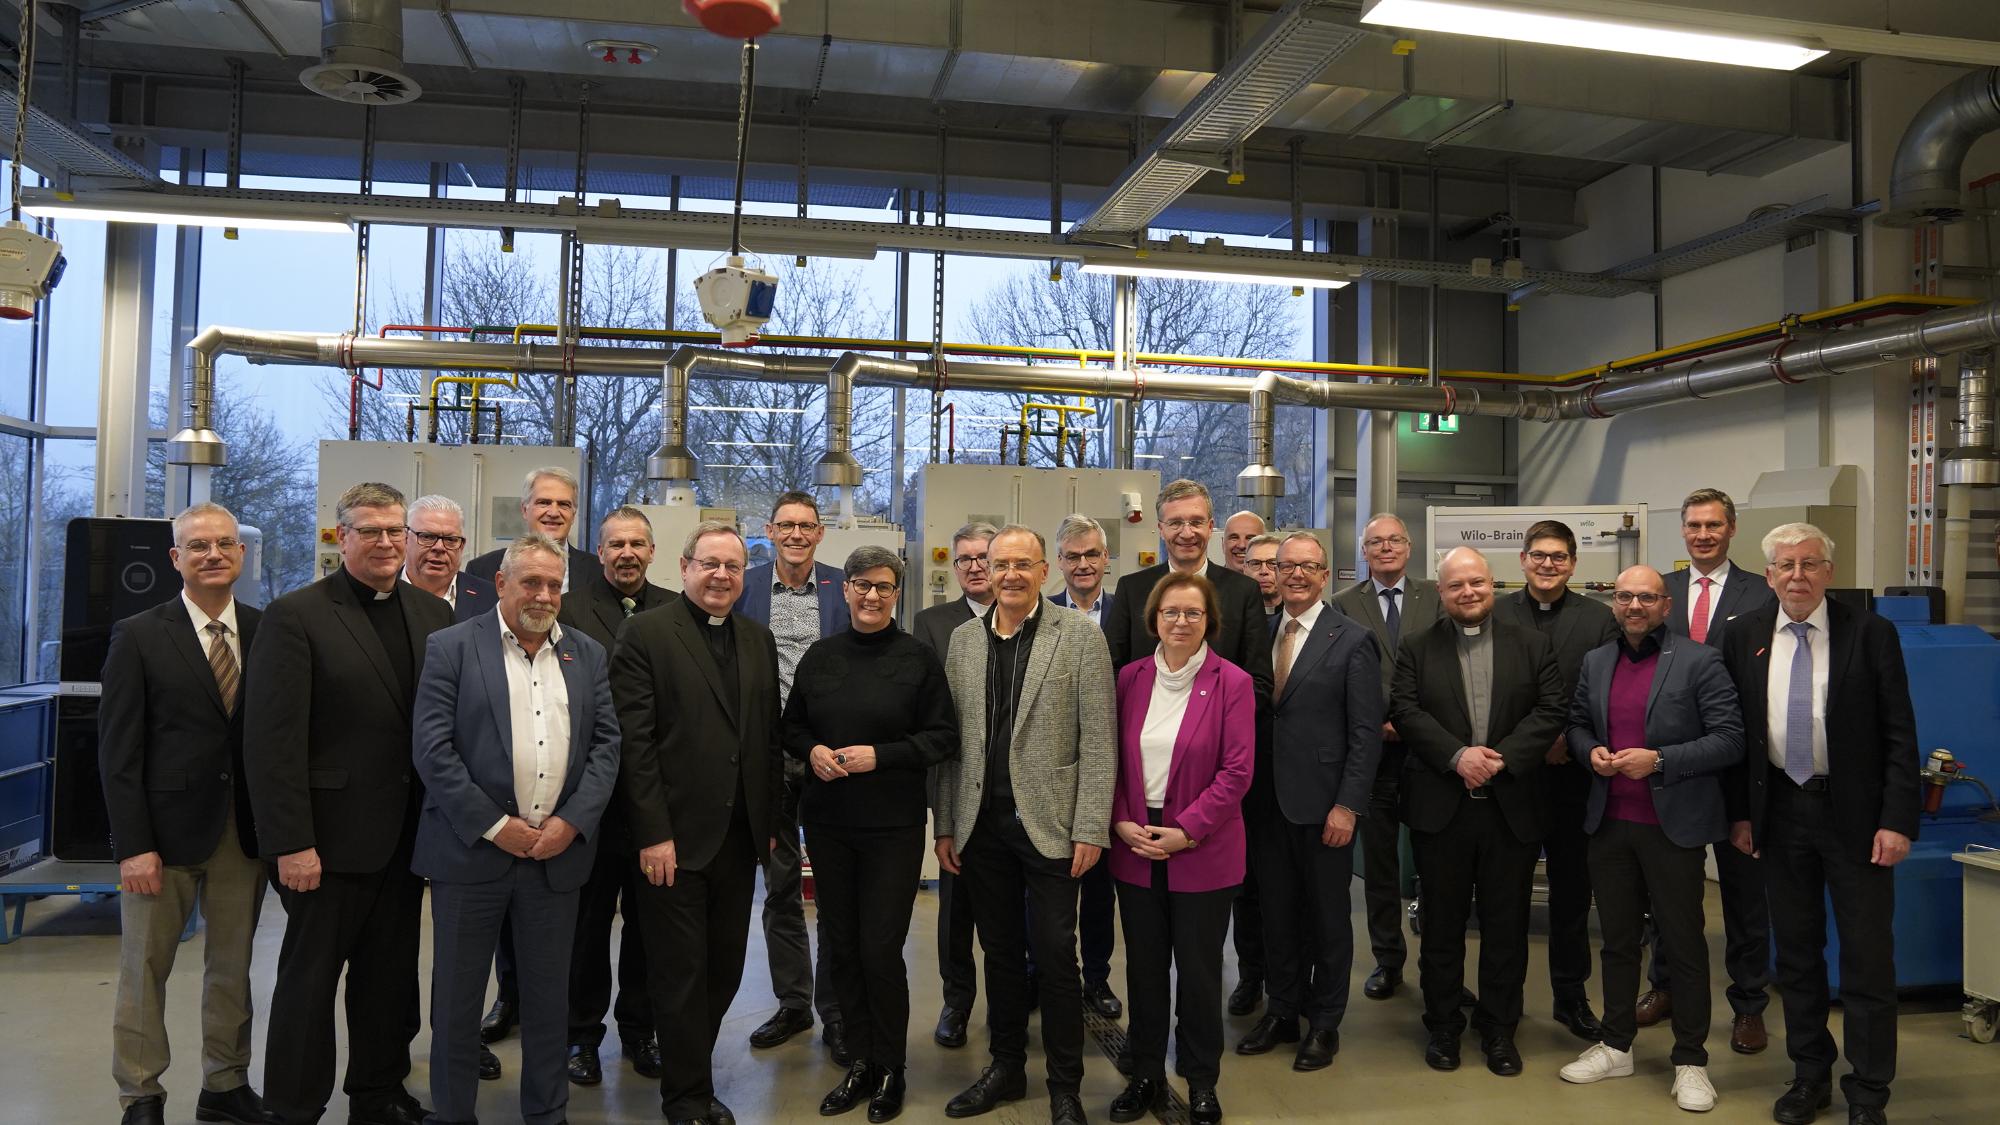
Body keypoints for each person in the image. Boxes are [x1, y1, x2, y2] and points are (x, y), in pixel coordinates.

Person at [245, 482, 455, 1125]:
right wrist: (290, 842)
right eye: (371, 531)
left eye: (396, 530)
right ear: (342, 537)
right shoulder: (297, 615)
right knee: (309, 984)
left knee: (390, 980)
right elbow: (271, 742)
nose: (387, 542)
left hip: (407, 838)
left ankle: (379, 1092)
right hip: (326, 844)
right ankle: (294, 1104)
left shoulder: (433, 616)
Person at [411, 533, 623, 1125]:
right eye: (531, 582)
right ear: (501, 584)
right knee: (456, 1003)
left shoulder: (587, 654)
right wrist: (494, 825)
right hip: (470, 855)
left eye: (555, 585)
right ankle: (454, 1114)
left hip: (554, 860)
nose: (545, 595)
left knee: (550, 1001)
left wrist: (572, 823)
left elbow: (607, 747)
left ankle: (547, 1113)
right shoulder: (451, 647)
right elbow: (432, 750)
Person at [1720, 524, 1918, 1125]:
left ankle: (1868, 1092)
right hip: (1780, 814)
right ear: (1770, 574)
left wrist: (1896, 820)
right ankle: (1810, 1076)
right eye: (1785, 565)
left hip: (1856, 819)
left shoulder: (1872, 634)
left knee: (1866, 959)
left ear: (1829, 571)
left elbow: (1899, 735)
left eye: (1810, 564)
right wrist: (1742, 815)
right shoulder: (1744, 636)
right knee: (1798, 956)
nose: (1797, 576)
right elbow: (1737, 738)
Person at [934, 525, 1115, 1125]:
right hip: (982, 827)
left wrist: (1090, 826)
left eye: (1022, 564)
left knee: (1058, 958)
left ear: (1045, 571)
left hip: (1052, 826)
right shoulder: (963, 641)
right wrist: (946, 824)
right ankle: (1007, 1068)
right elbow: (950, 744)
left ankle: (1065, 1085)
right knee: (1002, 954)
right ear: (984, 568)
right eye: (999, 563)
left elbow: (1100, 741)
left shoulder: (1079, 639)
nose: (1009, 574)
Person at [99, 503, 269, 1125]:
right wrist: (131, 845)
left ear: (241, 554)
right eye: (198, 546)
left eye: (224, 543)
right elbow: (118, 750)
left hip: (240, 832)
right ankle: (141, 1094)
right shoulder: (141, 633)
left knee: (232, 968)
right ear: (176, 558)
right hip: (161, 837)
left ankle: (224, 1084)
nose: (213, 554)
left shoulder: (265, 629)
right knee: (145, 969)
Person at [611, 520, 785, 1125]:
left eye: (732, 567)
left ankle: (692, 1068)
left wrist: (768, 826)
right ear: (684, 568)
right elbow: (635, 746)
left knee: (725, 968)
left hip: (739, 841)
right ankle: (685, 1098)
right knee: (681, 974)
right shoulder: (645, 636)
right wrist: (653, 832)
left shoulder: (757, 640)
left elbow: (763, 739)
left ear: (744, 576)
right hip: (674, 842)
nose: (720, 576)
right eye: (709, 564)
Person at [1558, 565, 1743, 1114]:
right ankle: (1616, 1044)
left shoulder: (1700, 660)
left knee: (1683, 944)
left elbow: (1730, 739)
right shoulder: (1597, 661)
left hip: (1672, 828)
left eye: (1646, 597)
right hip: (1609, 823)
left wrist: (1659, 760)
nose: (1634, 605)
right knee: (1616, 942)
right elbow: (1575, 723)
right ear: (1613, 603)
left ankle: (1690, 1060)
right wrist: (1588, 749)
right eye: (1624, 596)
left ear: (1667, 605)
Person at [783, 546, 958, 1122]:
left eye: (885, 586)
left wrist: (877, 757)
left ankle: (891, 1070)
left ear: (897, 593)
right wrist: (811, 750)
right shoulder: (820, 656)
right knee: (844, 946)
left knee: (880, 950)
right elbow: (792, 725)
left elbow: (941, 737)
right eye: (863, 584)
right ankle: (859, 1060)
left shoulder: (917, 660)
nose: (873, 595)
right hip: (829, 825)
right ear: (845, 589)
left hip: (892, 827)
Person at [1391, 547, 1564, 1078]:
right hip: (1442, 810)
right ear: (1440, 593)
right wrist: (1456, 756)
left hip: (1509, 809)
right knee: (1441, 927)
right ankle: (1443, 1026)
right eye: (1456, 585)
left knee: (1506, 928)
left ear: (1495, 585)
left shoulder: (1533, 646)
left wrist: (1500, 760)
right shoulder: (1417, 648)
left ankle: (1498, 1029)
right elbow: (1405, 708)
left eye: (1478, 583)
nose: (1469, 593)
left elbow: (1552, 708)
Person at [1103, 481, 1273, 1018]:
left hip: (1211, 793)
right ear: (1160, 528)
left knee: (1202, 960)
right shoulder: (1131, 591)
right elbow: (1114, 689)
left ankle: (1208, 1056)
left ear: (1211, 526)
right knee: (1146, 964)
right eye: (1175, 522)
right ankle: (1145, 1064)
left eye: (1196, 521)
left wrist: (1217, 721)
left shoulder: (1241, 592)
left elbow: (1259, 683)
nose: (1186, 531)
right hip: (1140, 804)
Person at [1105, 572, 1253, 1125]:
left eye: (1193, 613)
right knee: (1143, 968)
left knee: (1198, 970)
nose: (1181, 623)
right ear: (1154, 619)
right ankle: (1143, 1071)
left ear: (1209, 620)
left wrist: (1187, 829)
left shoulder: (1231, 682)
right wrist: (1120, 820)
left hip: (1203, 846)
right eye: (1171, 613)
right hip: (1135, 841)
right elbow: (1109, 758)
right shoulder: (1129, 678)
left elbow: (1237, 772)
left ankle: (1200, 1078)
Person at [460, 466, 599, 1043]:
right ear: (525, 508)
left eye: (563, 503)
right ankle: (509, 997)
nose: (553, 511)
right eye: (542, 500)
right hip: (495, 771)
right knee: (498, 912)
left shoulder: (591, 572)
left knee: (564, 918)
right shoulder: (481, 570)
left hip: (568, 765)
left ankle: (565, 1023)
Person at [1638, 486, 1778, 1055]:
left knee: (1745, 895)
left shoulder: (1760, 592)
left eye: (1713, 525)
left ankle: (1749, 1006)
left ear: (1732, 529)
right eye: (1693, 525)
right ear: (1683, 530)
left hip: (1740, 766)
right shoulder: (1661, 593)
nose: (1702, 534)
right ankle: (1665, 986)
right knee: (1671, 890)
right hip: (1672, 767)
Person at [1238, 533, 1382, 1073]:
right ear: (1271, 573)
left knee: (1327, 920)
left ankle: (1325, 1023)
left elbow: (1365, 733)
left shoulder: (1353, 639)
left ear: (1325, 575)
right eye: (1285, 566)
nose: (1295, 574)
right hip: (1265, 803)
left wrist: (1348, 805)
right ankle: (1282, 1010)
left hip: (1325, 807)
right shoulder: (1261, 633)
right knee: (1276, 915)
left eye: (1308, 566)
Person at [1493, 520, 1618, 1043]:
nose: (1548, 565)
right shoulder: (1495, 611)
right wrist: (1525, 745)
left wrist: (1570, 738)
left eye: (1559, 557)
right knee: (1508, 898)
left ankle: (1571, 997)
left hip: (1573, 776)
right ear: (1521, 560)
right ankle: (1505, 1002)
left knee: (1570, 896)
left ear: (1573, 564)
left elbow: (1606, 690)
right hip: (1512, 778)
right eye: (1539, 555)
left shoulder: (1599, 619)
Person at [738, 491, 851, 1064]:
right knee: (780, 886)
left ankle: (836, 1010)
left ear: (821, 532)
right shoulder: (747, 588)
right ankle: (792, 1002)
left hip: (828, 756)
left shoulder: (842, 588)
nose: (797, 535)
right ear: (770, 530)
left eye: (807, 526)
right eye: (787, 526)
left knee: (833, 888)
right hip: (766, 756)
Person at [561, 506, 670, 1086]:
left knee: (649, 929)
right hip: (587, 804)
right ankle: (580, 1037)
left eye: (637, 543)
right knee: (585, 927)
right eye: (615, 544)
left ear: (652, 552)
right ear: (597, 552)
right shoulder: (569, 609)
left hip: (653, 803)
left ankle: (640, 1030)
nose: (626, 553)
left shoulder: (678, 610)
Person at [1330, 513, 1444, 1002]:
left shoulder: (1438, 598)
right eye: (1376, 542)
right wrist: (1373, 724)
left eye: (1395, 540)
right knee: (1377, 867)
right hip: (1371, 752)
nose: (1386, 548)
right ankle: (1387, 960)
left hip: (1429, 753)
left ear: (1410, 546)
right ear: (1364, 551)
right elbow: (1339, 674)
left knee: (1438, 864)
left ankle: (1442, 963)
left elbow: (1447, 669)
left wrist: (1414, 721)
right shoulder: (1341, 605)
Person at [912, 520, 998, 1050]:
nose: (973, 565)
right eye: (963, 558)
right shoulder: (932, 623)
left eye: (982, 556)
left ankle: (1013, 999)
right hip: (957, 779)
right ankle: (956, 1001)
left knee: (1015, 906)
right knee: (956, 903)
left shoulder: (1030, 617)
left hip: (1016, 788)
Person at [1048, 514, 1122, 1020]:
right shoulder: (1039, 614)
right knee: (1050, 888)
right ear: (1059, 563)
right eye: (1072, 556)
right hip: (1051, 773)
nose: (1083, 564)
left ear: (1106, 560)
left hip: (1109, 770)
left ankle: (1096, 978)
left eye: (1091, 554)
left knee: (1099, 886)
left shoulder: (1129, 616)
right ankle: (1048, 975)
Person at [402, 494, 487, 620]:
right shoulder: (380, 591)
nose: (439, 547)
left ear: (462, 546)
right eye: (427, 537)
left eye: (450, 539)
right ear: (405, 539)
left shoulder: (491, 599)